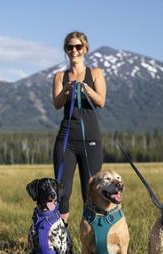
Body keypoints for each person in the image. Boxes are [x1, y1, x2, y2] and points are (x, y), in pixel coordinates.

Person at [52, 31, 106, 223]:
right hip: (66, 139)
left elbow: (101, 101)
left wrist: (86, 88)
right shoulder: (60, 76)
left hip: (90, 138)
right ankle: (61, 242)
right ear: (66, 50)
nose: (74, 50)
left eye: (78, 47)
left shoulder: (96, 73)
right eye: (69, 47)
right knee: (62, 193)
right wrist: (67, 89)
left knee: (91, 193)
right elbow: (57, 104)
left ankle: (91, 243)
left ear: (85, 49)